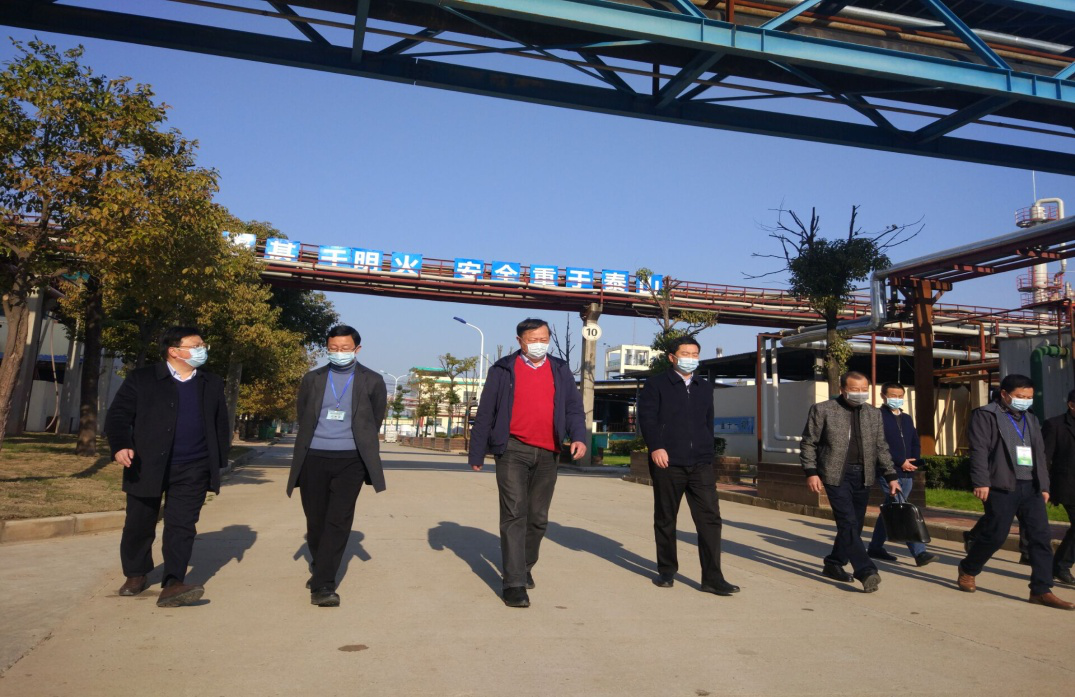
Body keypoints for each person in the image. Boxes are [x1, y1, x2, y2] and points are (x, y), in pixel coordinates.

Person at [105, 326, 230, 608]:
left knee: (182, 525)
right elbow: (118, 416)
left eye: (203, 345)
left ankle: (174, 582)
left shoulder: (211, 382)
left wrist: (218, 460)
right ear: (174, 351)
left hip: (194, 466)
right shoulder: (142, 379)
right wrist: (121, 445)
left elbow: (220, 422)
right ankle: (135, 574)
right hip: (146, 464)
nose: (203, 350)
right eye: (196, 345)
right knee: (139, 522)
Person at [468, 318, 588, 608]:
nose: (539, 344)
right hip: (512, 449)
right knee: (514, 513)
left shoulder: (560, 369)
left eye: (544, 339)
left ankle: (524, 566)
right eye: (533, 339)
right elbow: (486, 411)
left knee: (538, 517)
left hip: (548, 452)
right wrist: (476, 452)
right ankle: (514, 583)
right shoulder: (503, 369)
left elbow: (573, 408)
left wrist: (579, 437)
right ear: (520, 340)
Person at [286, 325, 387, 607]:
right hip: (314, 458)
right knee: (316, 520)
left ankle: (324, 585)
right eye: (333, 348)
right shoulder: (313, 379)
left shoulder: (373, 380)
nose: (339, 352)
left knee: (338, 520)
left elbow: (374, 419)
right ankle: (321, 564)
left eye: (345, 348)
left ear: (357, 349)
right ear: (327, 348)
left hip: (351, 460)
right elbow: (304, 414)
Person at [956, 374, 1074, 610]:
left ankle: (1041, 590)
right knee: (996, 535)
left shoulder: (1031, 418)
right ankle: (968, 568)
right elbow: (979, 450)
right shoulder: (986, 415)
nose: (1025, 401)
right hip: (1001, 485)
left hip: (1031, 486)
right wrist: (981, 481)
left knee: (1040, 537)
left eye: (1029, 397)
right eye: (1020, 396)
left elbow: (1040, 454)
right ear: (1004, 394)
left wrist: (1044, 485)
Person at [636, 336, 739, 596]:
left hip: (700, 464)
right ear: (672, 357)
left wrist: (708, 451)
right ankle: (667, 571)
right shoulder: (656, 384)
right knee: (666, 518)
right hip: (668, 462)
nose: (691, 359)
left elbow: (708, 421)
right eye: (685, 354)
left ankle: (712, 578)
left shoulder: (704, 387)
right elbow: (647, 418)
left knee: (710, 519)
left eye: (695, 354)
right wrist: (656, 446)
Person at [800, 371, 900, 593]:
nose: (860, 393)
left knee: (855, 524)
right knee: (847, 522)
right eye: (855, 389)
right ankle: (866, 570)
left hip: (864, 475)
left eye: (864, 389)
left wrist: (891, 475)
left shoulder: (873, 413)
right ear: (843, 389)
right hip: (835, 475)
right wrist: (811, 472)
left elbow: (881, 447)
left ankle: (834, 563)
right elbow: (808, 442)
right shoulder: (823, 410)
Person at [866, 382, 937, 567]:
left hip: (907, 471)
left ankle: (875, 547)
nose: (896, 399)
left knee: (891, 508)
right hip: (888, 471)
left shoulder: (906, 418)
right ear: (883, 396)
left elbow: (914, 441)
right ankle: (919, 552)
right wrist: (900, 461)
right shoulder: (877, 416)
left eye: (900, 396)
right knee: (902, 509)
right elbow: (879, 445)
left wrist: (913, 461)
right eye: (892, 395)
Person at [1043, 389, 1075, 587]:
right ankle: (1061, 566)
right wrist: (1043, 486)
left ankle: (1059, 565)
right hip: (1068, 485)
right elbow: (1044, 457)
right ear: (1071, 405)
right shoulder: (1055, 425)